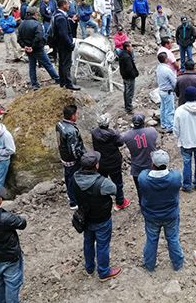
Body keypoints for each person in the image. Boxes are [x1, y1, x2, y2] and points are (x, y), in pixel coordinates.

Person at [72, 151, 122, 281]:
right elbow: (115, 190)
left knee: (88, 242)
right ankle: (104, 272)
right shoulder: (103, 183)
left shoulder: (75, 178)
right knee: (102, 245)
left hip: (86, 218)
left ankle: (89, 267)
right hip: (102, 219)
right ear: (96, 166)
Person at [137, 150, 184, 271]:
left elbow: (144, 173)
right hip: (171, 215)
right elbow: (175, 175)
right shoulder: (175, 177)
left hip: (151, 216)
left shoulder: (143, 178)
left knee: (151, 240)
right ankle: (177, 264)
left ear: (152, 164)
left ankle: (149, 265)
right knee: (173, 239)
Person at [92, 114, 131, 211]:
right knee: (117, 182)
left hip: (100, 161)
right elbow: (121, 142)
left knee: (101, 181)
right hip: (113, 161)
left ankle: (102, 201)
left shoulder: (94, 132)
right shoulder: (113, 134)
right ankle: (120, 202)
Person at [18, 7, 60, 90]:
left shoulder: (21, 24)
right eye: (37, 14)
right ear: (34, 14)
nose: (38, 15)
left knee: (32, 66)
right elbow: (39, 37)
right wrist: (33, 46)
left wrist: (25, 46)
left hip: (28, 50)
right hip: (37, 49)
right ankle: (57, 79)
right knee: (48, 64)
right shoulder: (37, 24)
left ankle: (34, 84)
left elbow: (19, 39)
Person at [120, 114, 159, 202]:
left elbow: (120, 140)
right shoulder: (152, 131)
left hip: (137, 167)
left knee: (140, 190)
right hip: (152, 165)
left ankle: (143, 205)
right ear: (143, 122)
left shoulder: (127, 135)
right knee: (154, 186)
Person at [56, 104, 87, 210]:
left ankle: (71, 196)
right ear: (73, 116)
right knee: (74, 178)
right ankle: (74, 201)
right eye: (76, 113)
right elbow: (74, 149)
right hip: (72, 159)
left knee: (68, 177)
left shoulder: (60, 124)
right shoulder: (71, 131)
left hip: (64, 156)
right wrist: (80, 158)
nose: (77, 115)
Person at [53, 0, 80, 91]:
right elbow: (63, 33)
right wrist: (70, 44)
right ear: (63, 5)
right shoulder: (60, 17)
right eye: (67, 4)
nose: (69, 6)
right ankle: (68, 83)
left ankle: (62, 82)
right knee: (66, 64)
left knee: (62, 63)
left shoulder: (57, 15)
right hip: (64, 45)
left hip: (60, 44)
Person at [156, 52, 177, 133]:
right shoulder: (167, 70)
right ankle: (170, 126)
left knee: (163, 108)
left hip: (161, 90)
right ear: (165, 59)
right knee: (170, 109)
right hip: (167, 91)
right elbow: (174, 82)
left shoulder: (158, 67)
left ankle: (163, 124)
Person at [118, 42, 139, 113]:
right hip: (129, 77)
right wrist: (134, 74)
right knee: (129, 92)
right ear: (127, 48)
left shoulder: (122, 54)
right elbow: (129, 69)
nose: (131, 48)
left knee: (126, 91)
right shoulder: (126, 57)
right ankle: (129, 107)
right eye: (130, 47)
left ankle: (127, 105)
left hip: (125, 76)